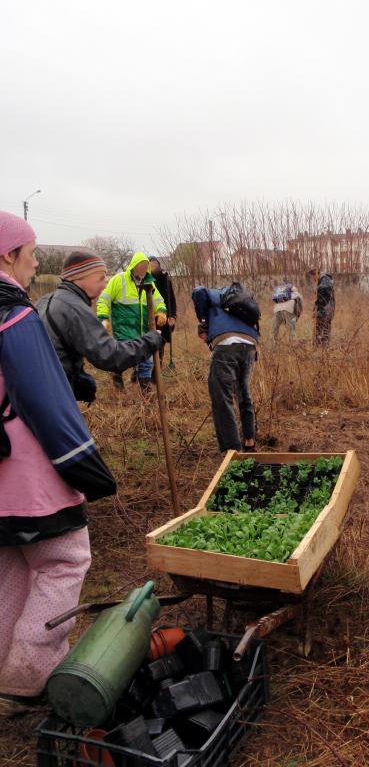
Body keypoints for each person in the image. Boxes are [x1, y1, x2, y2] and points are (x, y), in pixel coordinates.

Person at [0, 211, 116, 707]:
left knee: (13, 567)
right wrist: (84, 462)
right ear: (7, 255)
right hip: (28, 472)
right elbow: (46, 399)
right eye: (29, 255)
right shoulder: (13, 312)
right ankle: (27, 677)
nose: (34, 264)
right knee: (64, 561)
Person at [37, 251, 163, 399]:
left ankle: (145, 394)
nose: (104, 285)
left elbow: (60, 351)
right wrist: (150, 341)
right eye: (100, 278)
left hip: (46, 386)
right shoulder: (75, 308)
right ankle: (119, 381)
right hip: (53, 394)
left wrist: (77, 378)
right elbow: (110, 356)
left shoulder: (47, 300)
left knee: (146, 364)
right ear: (79, 276)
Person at [192, 284, 258, 452]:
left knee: (222, 397)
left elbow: (198, 291)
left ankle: (232, 451)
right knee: (244, 392)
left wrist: (203, 321)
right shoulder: (239, 299)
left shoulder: (212, 294)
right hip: (250, 344)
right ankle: (249, 441)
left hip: (227, 345)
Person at [96, 252, 167, 392]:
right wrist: (103, 317)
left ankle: (145, 391)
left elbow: (159, 301)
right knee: (123, 359)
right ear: (133, 266)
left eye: (145, 266)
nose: (142, 269)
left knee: (147, 360)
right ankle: (117, 378)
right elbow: (104, 299)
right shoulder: (119, 280)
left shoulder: (149, 282)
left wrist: (162, 312)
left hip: (143, 330)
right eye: (140, 266)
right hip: (123, 329)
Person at [149, 257, 177, 366]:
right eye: (150, 264)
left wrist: (173, 315)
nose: (152, 266)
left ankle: (158, 366)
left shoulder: (165, 279)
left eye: (154, 264)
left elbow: (171, 299)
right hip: (150, 315)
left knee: (162, 340)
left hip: (164, 315)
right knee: (149, 341)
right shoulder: (145, 280)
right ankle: (147, 369)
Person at [314, 272, 335, 346]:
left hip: (324, 310)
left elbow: (323, 289)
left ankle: (318, 346)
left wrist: (318, 303)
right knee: (326, 329)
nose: (314, 279)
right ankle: (324, 346)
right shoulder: (328, 280)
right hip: (329, 310)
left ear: (316, 274)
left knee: (320, 328)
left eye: (313, 277)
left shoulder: (324, 278)